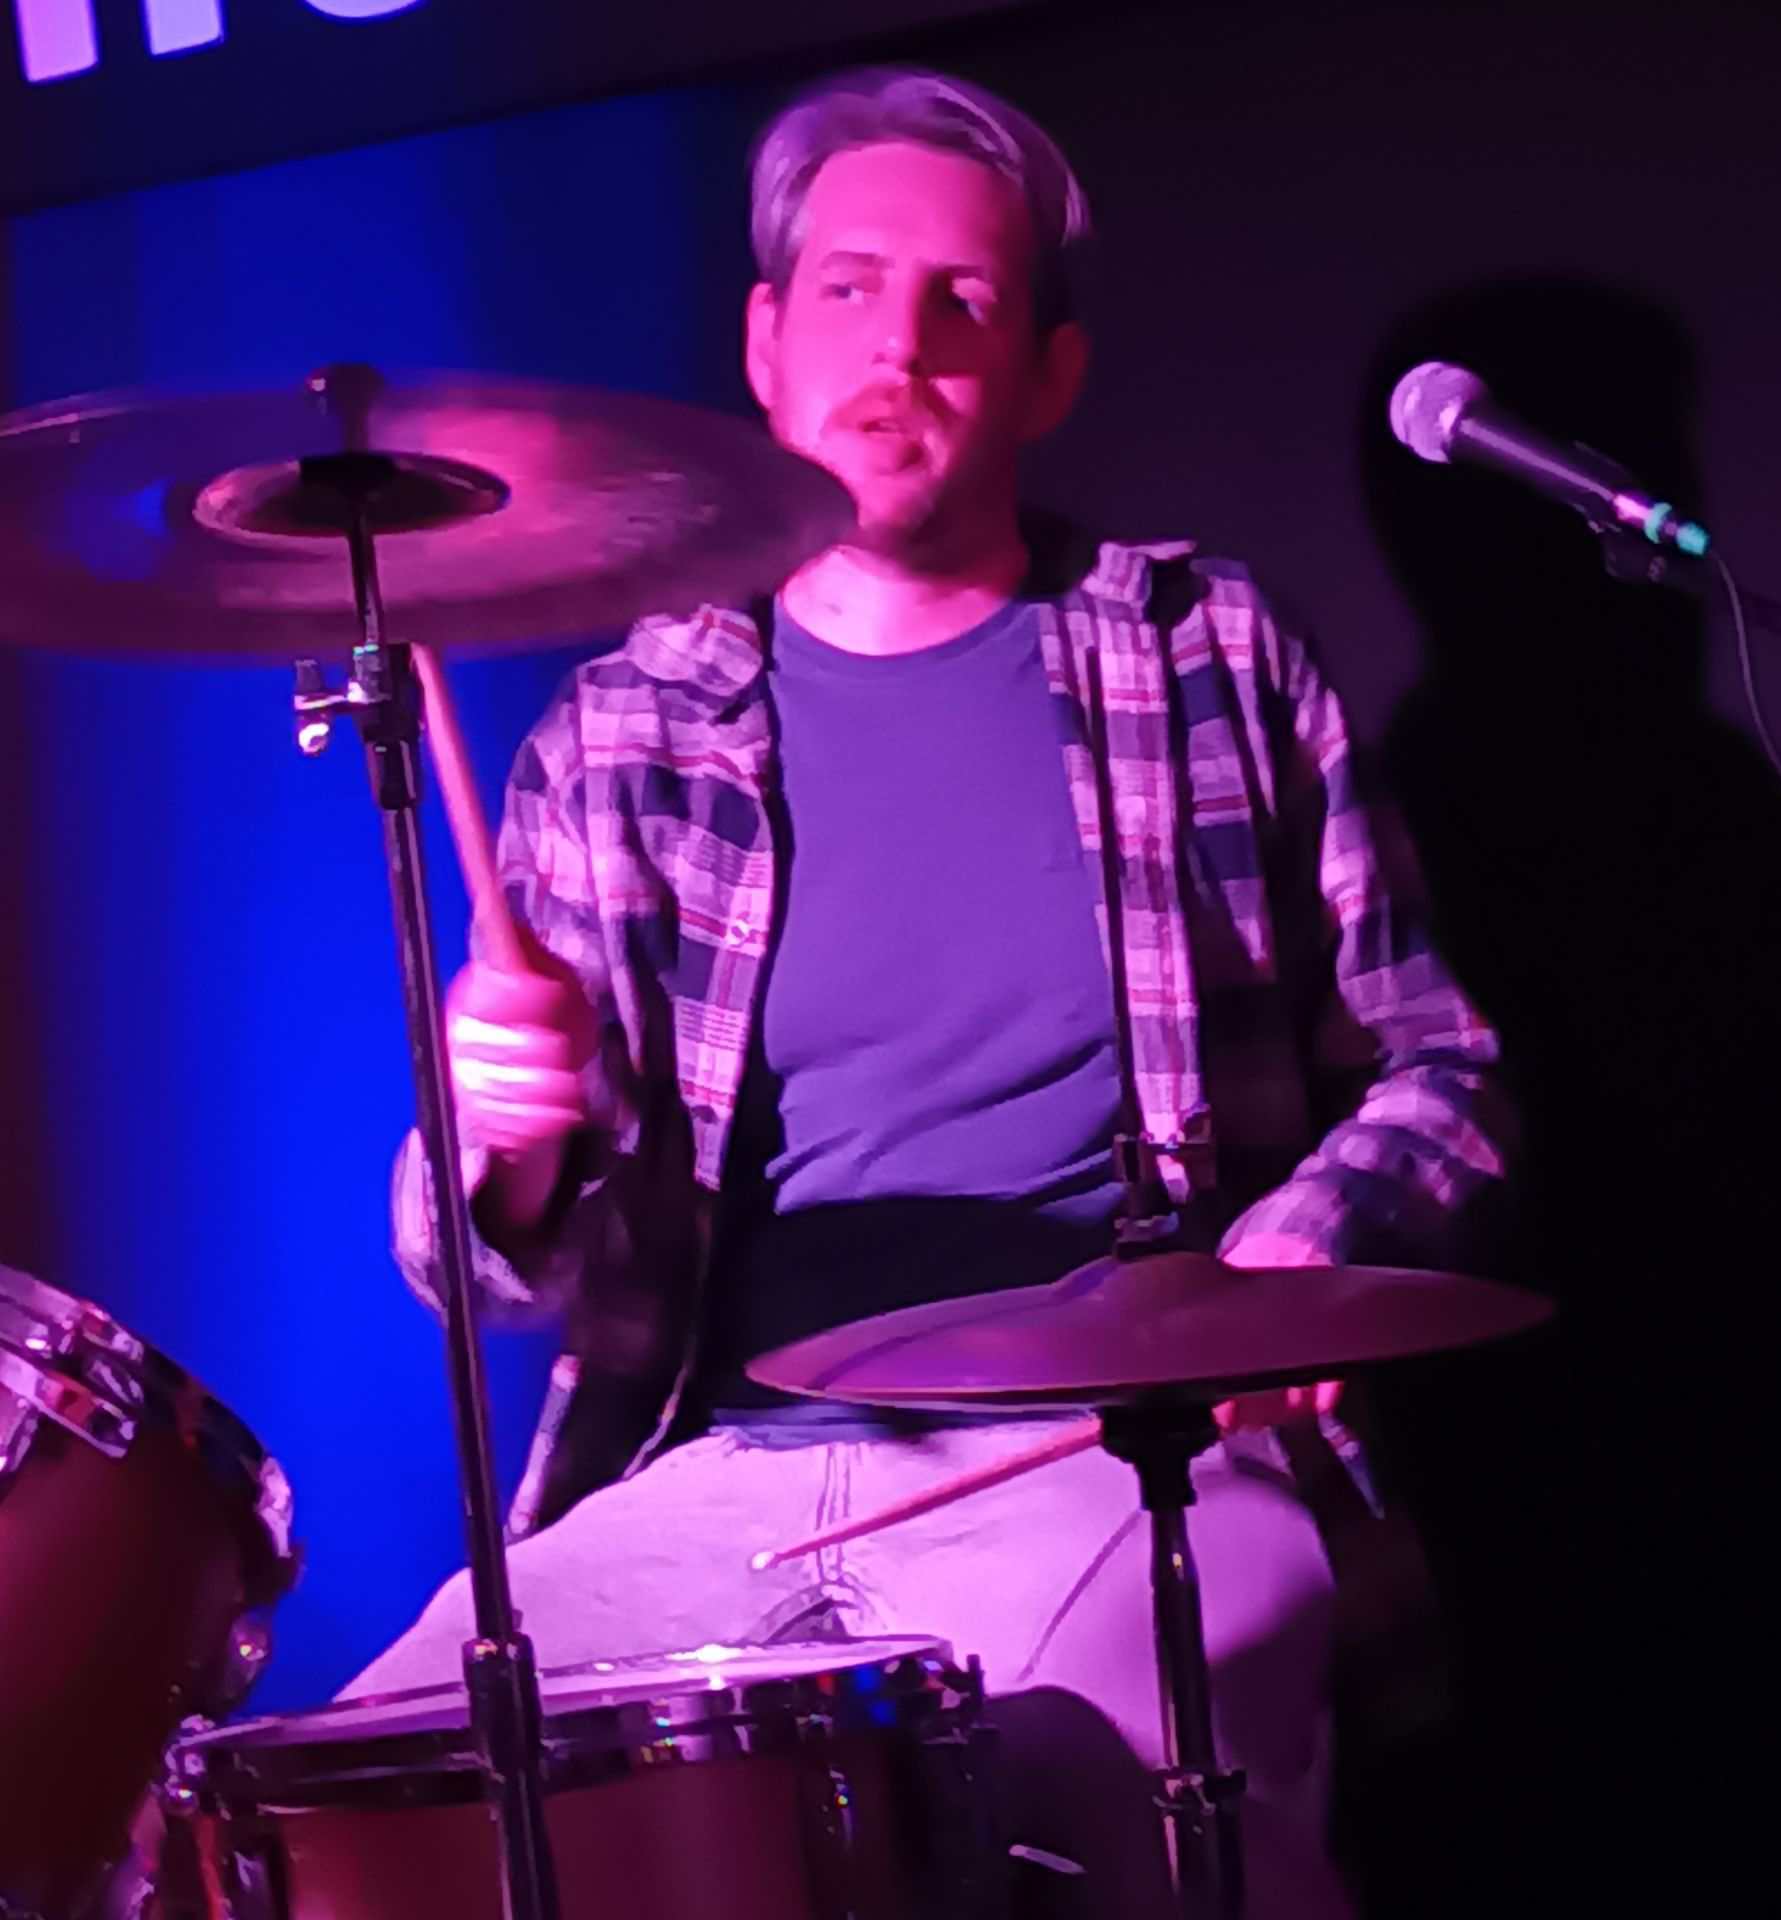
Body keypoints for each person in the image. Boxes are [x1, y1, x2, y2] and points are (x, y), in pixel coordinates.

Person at [354, 68, 1510, 1915]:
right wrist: (508, 1141)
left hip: (1125, 1459)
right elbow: (480, 1263)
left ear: (1049, 374)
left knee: (1064, 1771)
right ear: (765, 343)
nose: (902, 345)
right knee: (379, 1798)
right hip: (724, 1467)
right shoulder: (624, 734)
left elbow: (1442, 1064)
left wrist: (1303, 1250)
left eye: (964, 299)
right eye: (850, 289)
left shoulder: (1206, 655)